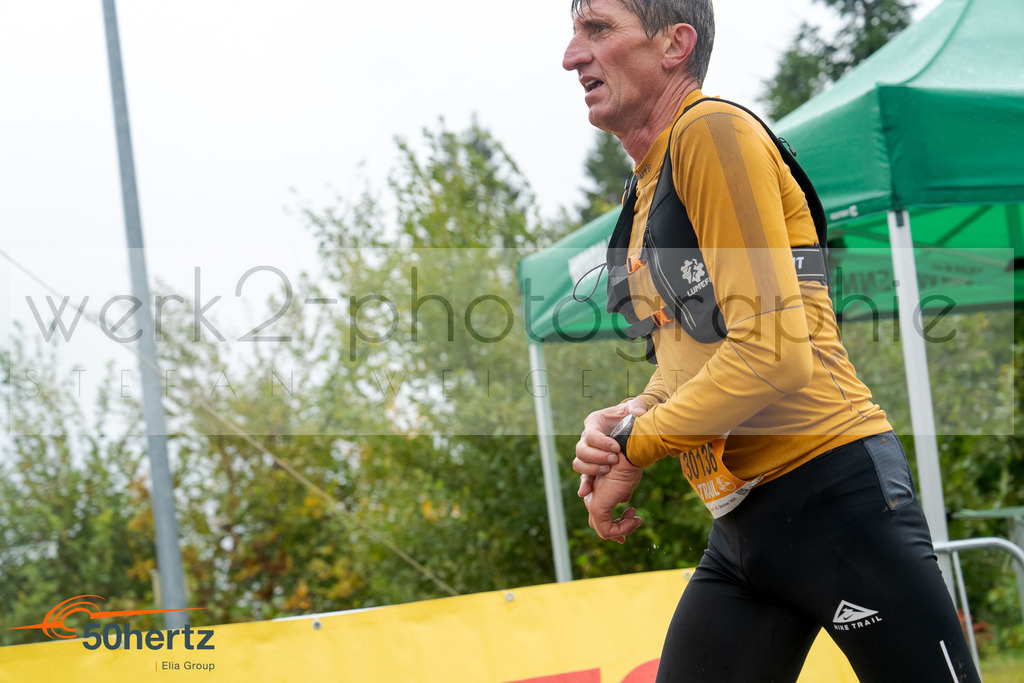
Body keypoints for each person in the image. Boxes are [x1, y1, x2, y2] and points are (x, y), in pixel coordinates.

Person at [563, 1, 982, 681]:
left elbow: (771, 354)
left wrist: (640, 442)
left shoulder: (712, 133)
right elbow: (690, 363)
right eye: (575, 33)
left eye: (598, 29)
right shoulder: (646, 185)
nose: (572, 55)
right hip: (745, 530)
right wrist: (624, 425)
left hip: (835, 497)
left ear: (676, 44)